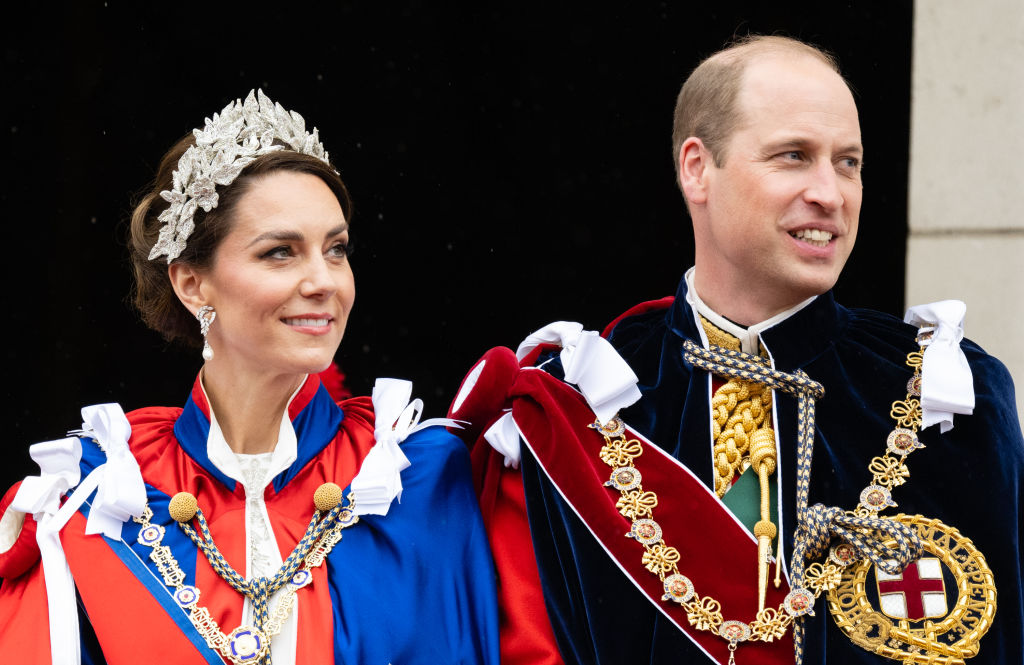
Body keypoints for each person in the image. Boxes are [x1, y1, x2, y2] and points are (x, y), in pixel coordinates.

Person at [446, 36, 1024, 664]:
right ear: (697, 168)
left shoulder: (951, 397)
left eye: (849, 162)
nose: (831, 194)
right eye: (794, 156)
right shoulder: (568, 405)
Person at [0, 90, 498, 665]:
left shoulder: (416, 474)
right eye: (280, 253)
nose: (324, 281)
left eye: (336, 250)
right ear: (192, 284)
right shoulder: (100, 498)